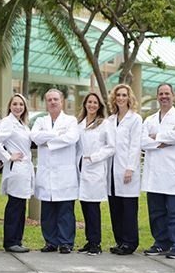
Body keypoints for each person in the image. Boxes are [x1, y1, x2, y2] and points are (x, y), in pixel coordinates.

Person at [141, 83, 175, 259]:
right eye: (161, 93)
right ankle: (161, 243)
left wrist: (156, 137)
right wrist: (162, 141)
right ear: (157, 96)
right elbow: (142, 142)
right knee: (156, 212)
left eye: (167, 93)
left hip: (171, 172)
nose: (164, 96)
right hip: (153, 173)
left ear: (173, 96)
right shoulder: (149, 119)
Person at [31, 88, 79, 254]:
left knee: (65, 210)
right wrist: (57, 134)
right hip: (47, 172)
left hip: (65, 173)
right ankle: (50, 242)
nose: (52, 102)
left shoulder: (71, 120)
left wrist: (48, 141)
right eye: (49, 100)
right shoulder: (40, 121)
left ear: (62, 101)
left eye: (55, 99)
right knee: (48, 211)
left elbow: (71, 138)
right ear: (46, 103)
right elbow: (35, 137)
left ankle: (66, 242)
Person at [0, 93, 34, 253]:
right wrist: (8, 156)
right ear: (10, 106)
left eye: (21, 104)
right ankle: (10, 242)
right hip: (16, 170)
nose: (18, 107)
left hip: (24, 170)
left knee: (21, 207)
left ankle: (17, 240)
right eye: (15, 104)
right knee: (15, 206)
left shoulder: (22, 124)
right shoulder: (7, 122)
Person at [76, 92, 115, 255]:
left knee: (93, 208)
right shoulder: (79, 124)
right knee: (85, 205)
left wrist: (94, 157)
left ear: (99, 106)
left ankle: (96, 244)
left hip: (95, 169)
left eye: (95, 103)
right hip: (81, 170)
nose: (92, 105)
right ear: (85, 104)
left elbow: (111, 147)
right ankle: (89, 241)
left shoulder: (104, 124)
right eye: (89, 102)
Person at [107, 84, 142, 256]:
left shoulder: (135, 119)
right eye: (118, 95)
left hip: (126, 170)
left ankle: (130, 243)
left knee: (128, 208)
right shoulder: (110, 120)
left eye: (124, 95)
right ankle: (120, 241)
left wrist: (130, 168)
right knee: (115, 208)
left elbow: (135, 145)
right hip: (111, 171)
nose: (120, 98)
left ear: (129, 98)